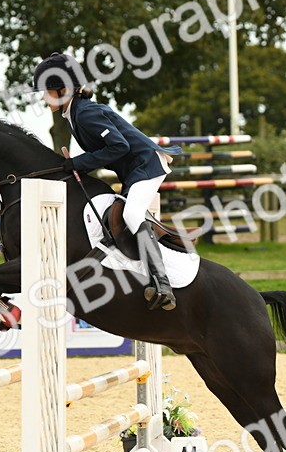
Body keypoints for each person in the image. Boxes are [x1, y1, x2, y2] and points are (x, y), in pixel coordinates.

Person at [33, 51, 181, 310]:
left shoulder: (86, 113)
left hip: (146, 166)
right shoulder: (74, 113)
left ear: (64, 89)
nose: (44, 98)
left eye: (47, 91)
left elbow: (119, 147)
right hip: (134, 170)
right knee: (116, 218)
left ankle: (162, 284)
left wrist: (77, 163)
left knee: (133, 216)